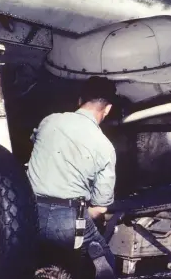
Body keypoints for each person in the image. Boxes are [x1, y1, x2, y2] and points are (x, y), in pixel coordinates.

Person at [27, 76, 118, 278]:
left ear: (79, 100)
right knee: (105, 262)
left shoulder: (48, 121)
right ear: (108, 108)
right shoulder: (105, 146)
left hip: (31, 213)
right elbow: (101, 206)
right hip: (69, 220)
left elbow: (34, 145)